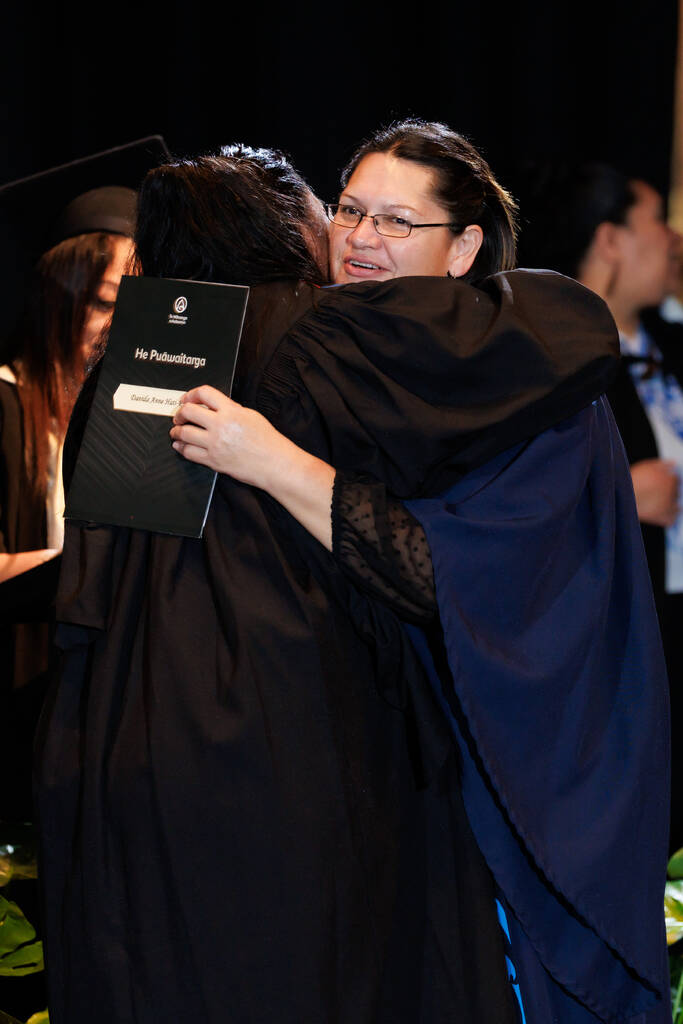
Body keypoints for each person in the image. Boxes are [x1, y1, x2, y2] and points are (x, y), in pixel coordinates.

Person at [171, 123, 671, 1023]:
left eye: (397, 222)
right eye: (349, 211)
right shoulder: (337, 365)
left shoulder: (532, 375)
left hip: (516, 769)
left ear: (464, 248)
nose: (361, 239)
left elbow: (438, 573)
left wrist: (269, 458)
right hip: (369, 776)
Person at [512, 159, 683, 854]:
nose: (672, 239)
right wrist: (619, 495)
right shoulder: (548, 358)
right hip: (617, 646)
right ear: (609, 239)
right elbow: (509, 506)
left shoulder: (668, 348)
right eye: (655, 222)